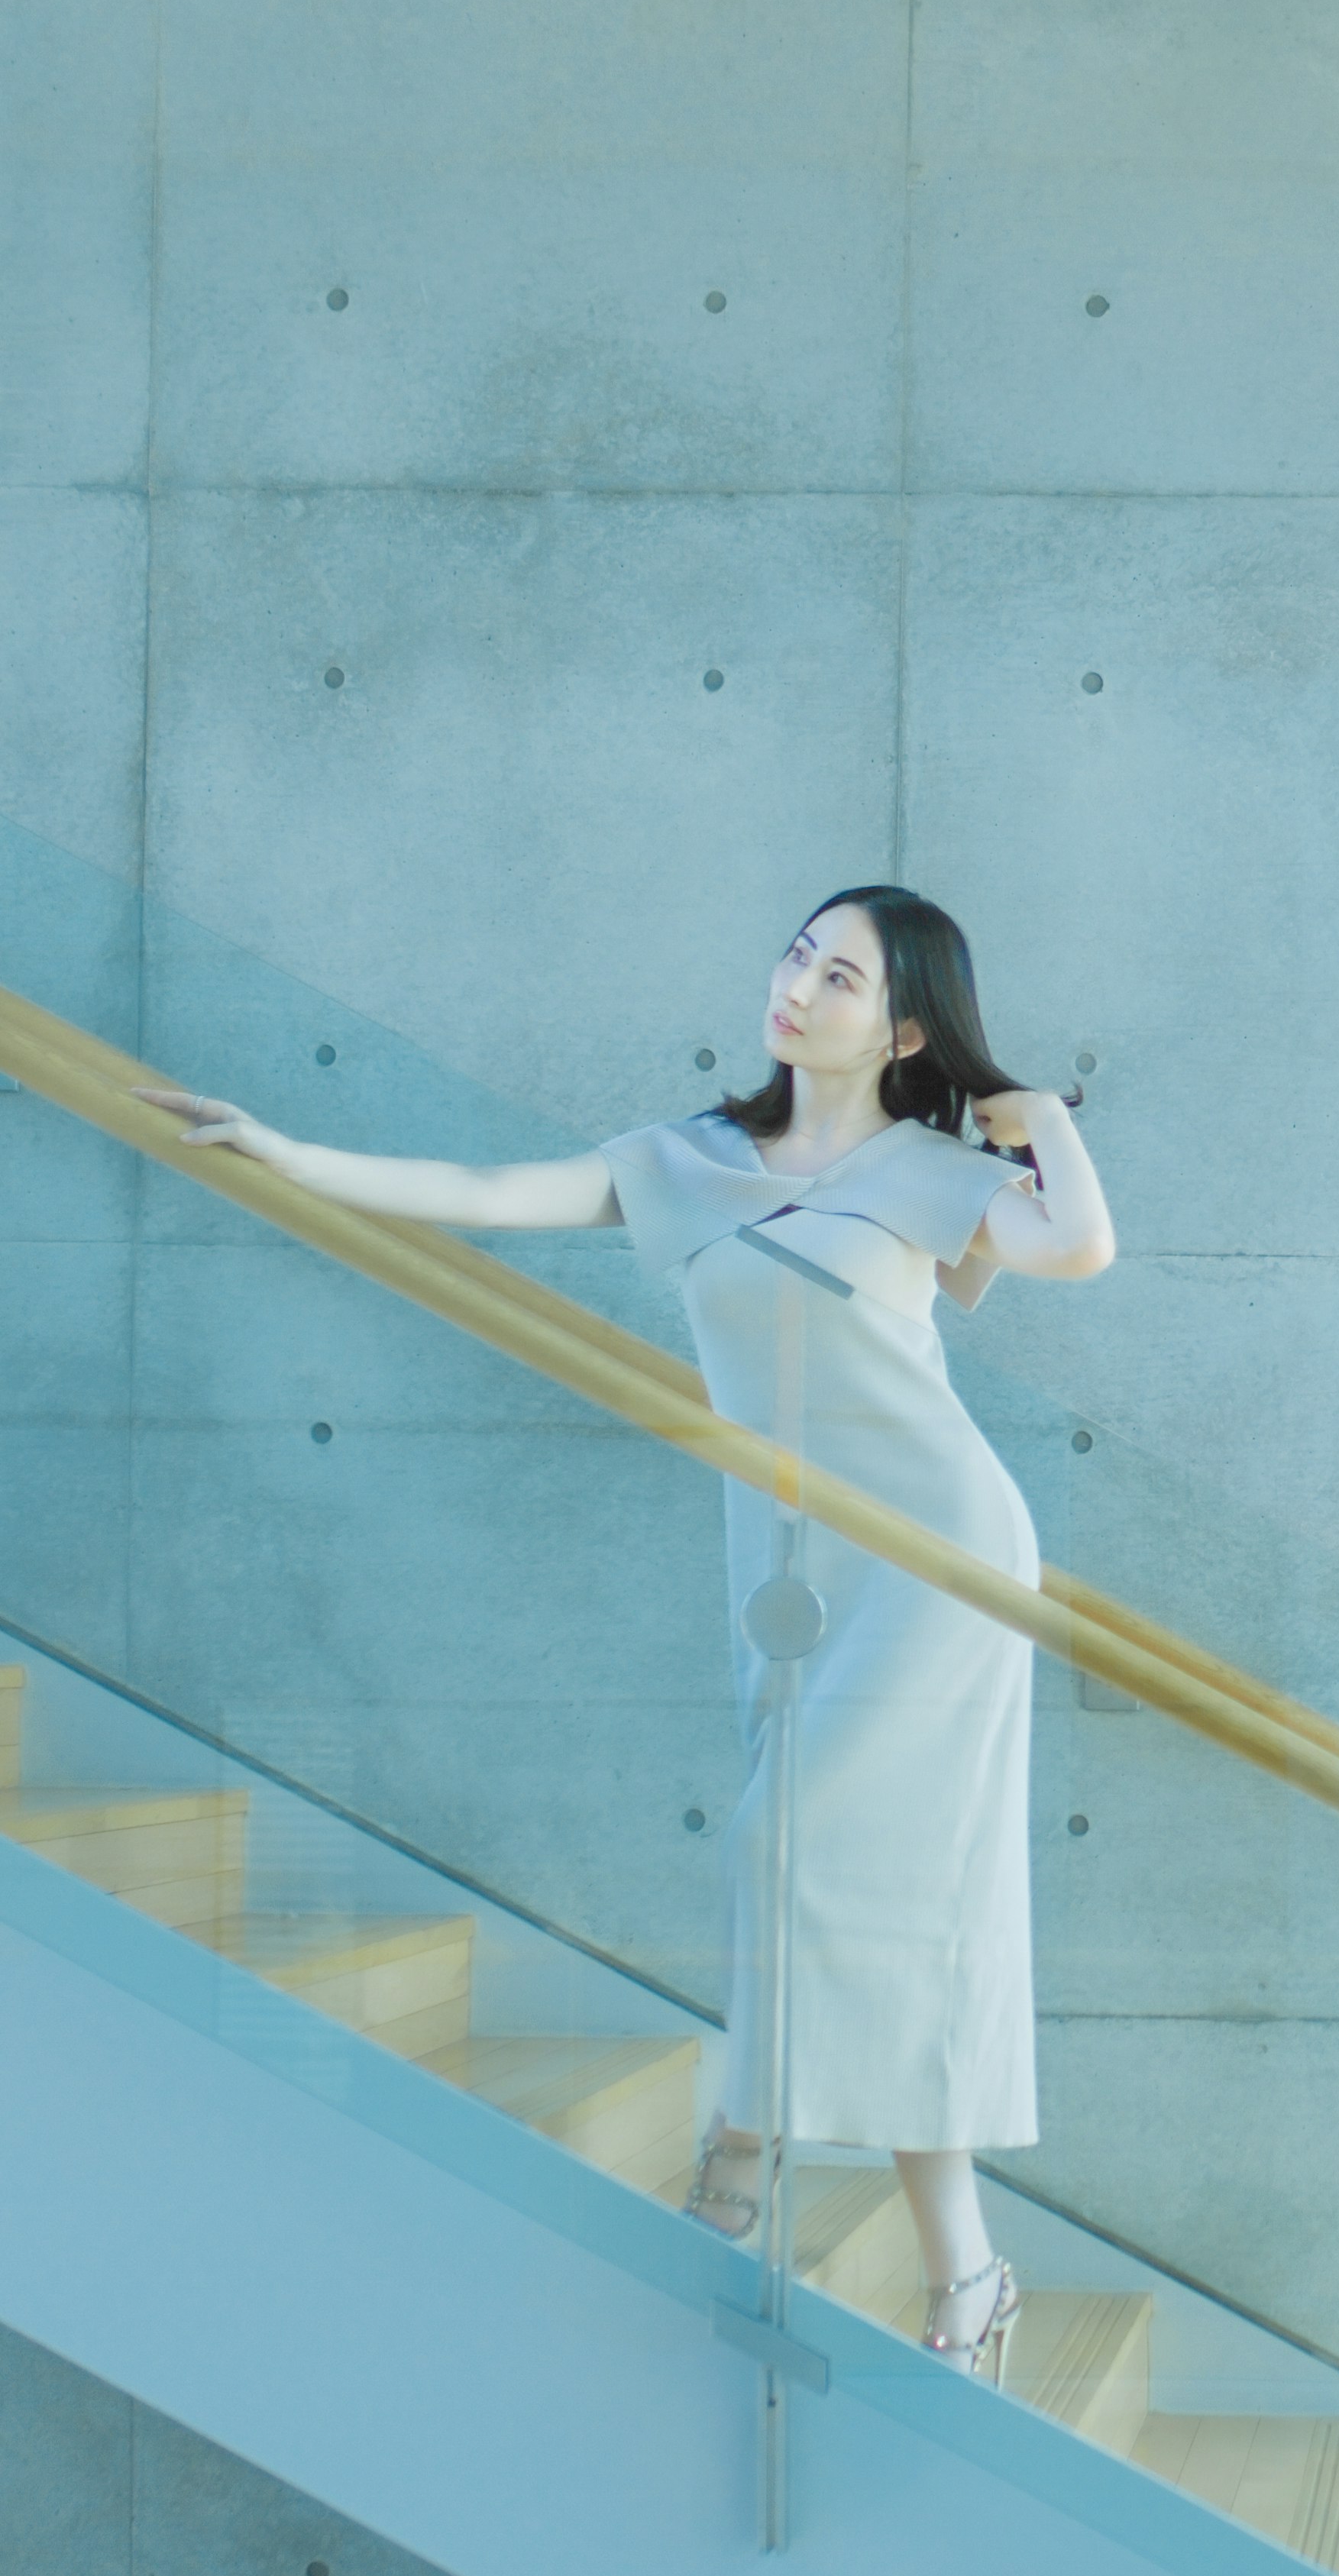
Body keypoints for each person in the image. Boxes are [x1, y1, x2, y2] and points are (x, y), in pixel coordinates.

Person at [137, 887, 1114, 2384]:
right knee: (871, 1894)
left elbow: (1077, 1248)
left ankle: (739, 2143)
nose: (797, 985)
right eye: (798, 952)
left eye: (839, 975)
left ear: (903, 1028)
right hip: (798, 1576)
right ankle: (967, 2270)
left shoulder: (927, 1172)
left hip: (945, 1564)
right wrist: (283, 1147)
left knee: (809, 1855)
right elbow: (482, 1191)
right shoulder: (686, 1164)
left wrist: (1035, 1110)